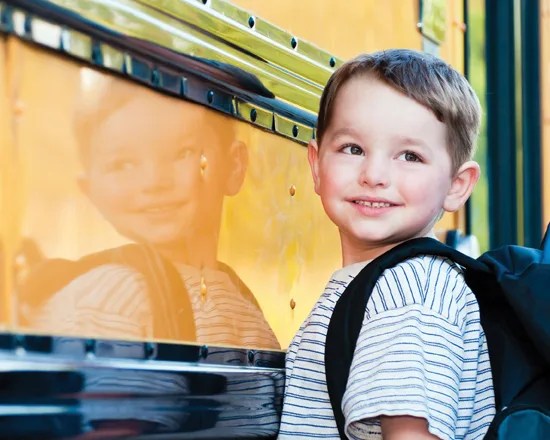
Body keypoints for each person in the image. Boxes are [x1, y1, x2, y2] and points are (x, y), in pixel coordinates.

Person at [278, 49, 495, 439]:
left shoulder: (410, 290)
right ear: (316, 164)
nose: (374, 175)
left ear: (457, 185)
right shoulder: (381, 282)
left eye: (409, 156)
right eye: (353, 149)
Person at [22, 68, 279, 350]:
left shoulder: (241, 303)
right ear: (91, 190)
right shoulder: (110, 300)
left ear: (234, 166)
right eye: (123, 164)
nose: (154, 182)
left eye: (182, 153)